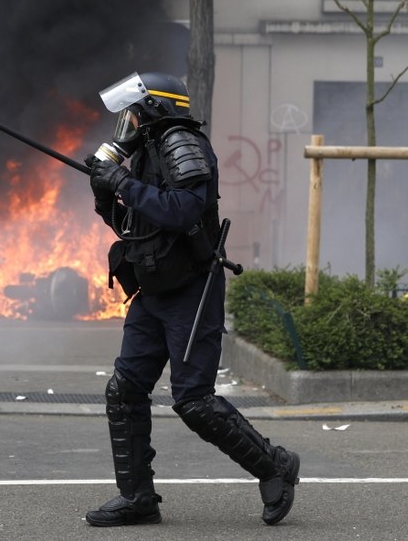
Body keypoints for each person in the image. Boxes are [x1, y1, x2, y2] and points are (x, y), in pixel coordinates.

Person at [83, 72, 300, 527]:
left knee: (194, 400)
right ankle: (138, 498)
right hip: (151, 289)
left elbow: (181, 212)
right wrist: (107, 194)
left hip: (190, 291)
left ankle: (275, 465)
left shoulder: (184, 143)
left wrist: (122, 181)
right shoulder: (143, 153)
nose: (128, 120)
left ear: (154, 109)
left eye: (134, 111)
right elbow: (134, 224)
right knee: (123, 391)